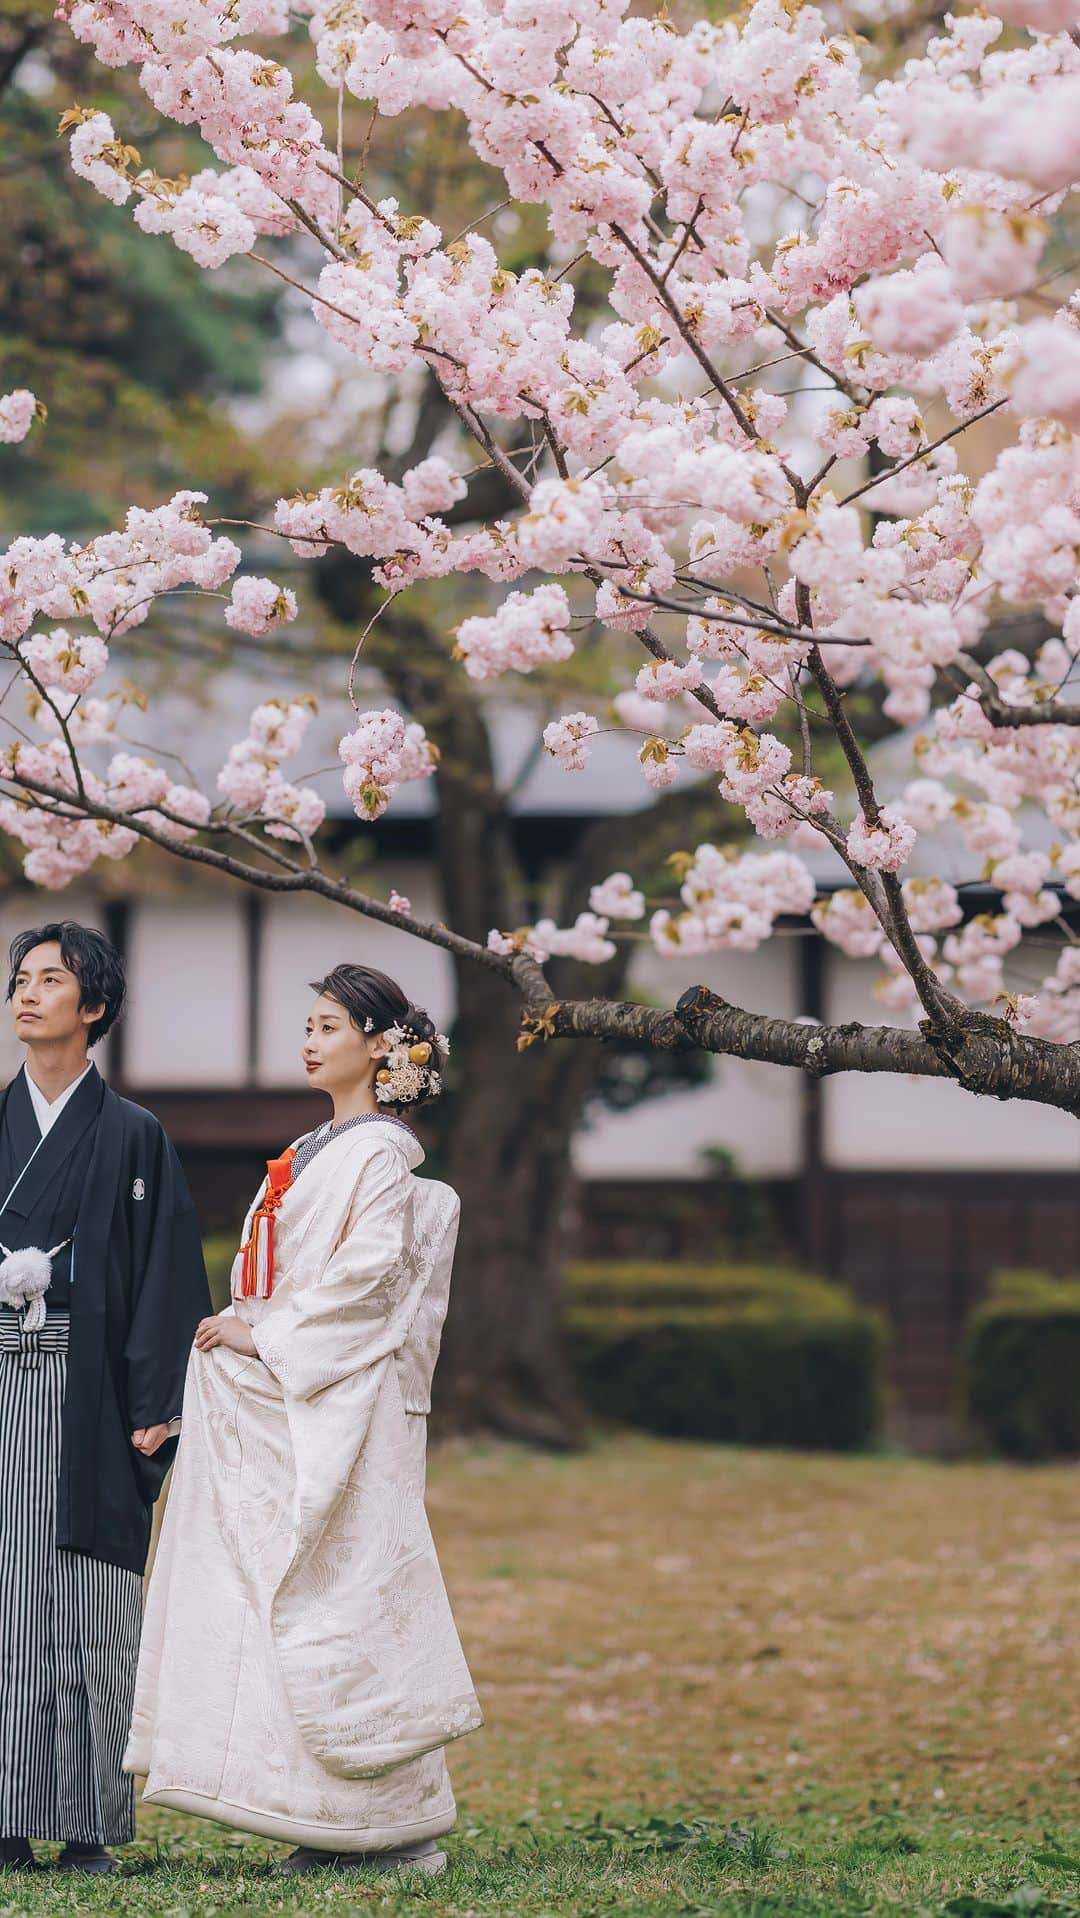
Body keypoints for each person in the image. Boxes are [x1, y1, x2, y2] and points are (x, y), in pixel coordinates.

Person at [126, 962, 482, 1877]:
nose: (310, 1040)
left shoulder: (375, 1156)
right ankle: (320, 1815)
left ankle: (382, 1826)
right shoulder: (321, 1147)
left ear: (376, 1044)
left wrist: (263, 1335)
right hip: (298, 1390)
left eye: (329, 1026)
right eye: (310, 1024)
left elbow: (367, 1283)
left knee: (341, 1598)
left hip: (339, 1402)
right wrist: (250, 1331)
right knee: (289, 1593)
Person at [0, 920, 209, 1875]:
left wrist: (157, 1405)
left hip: (91, 1394)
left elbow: (167, 1275)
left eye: (53, 980)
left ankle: (85, 1819)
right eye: (20, 978)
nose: (28, 993)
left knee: (87, 1602)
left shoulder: (134, 1136)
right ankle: (5, 1816)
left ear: (95, 1009)